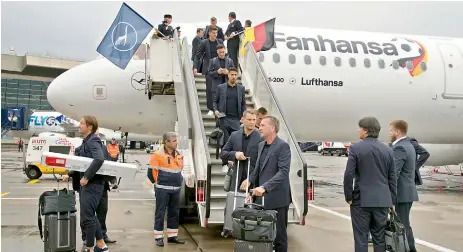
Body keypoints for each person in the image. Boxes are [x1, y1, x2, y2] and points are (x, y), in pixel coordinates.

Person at [343, 116, 397, 252]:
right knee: (379, 238)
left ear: (365, 130)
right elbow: (392, 178)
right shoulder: (388, 150)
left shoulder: (356, 148)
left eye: (360, 128)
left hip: (361, 201)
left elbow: (349, 174)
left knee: (361, 238)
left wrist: (348, 196)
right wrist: (391, 199)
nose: (358, 131)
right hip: (382, 201)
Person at [240, 116, 291, 252]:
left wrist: (264, 187)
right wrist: (249, 180)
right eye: (260, 125)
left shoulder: (283, 146)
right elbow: (258, 169)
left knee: (279, 236)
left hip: (277, 199)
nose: (259, 128)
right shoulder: (261, 145)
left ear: (272, 128)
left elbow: (283, 173)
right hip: (260, 198)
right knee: (260, 235)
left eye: (262, 125)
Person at [70, 116, 108, 252]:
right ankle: (101, 245)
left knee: (88, 217)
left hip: (93, 184)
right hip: (88, 185)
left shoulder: (93, 140)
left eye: (81, 123)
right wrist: (69, 174)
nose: (79, 125)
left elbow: (99, 159)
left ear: (90, 126)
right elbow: (82, 162)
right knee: (90, 215)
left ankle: (91, 247)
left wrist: (86, 176)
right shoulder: (87, 141)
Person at [150, 132, 185, 247]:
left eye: (176, 140)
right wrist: (159, 183)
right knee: (160, 213)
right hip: (162, 189)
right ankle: (159, 237)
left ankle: (172, 236)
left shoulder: (179, 154)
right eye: (174, 141)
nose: (176, 143)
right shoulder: (157, 155)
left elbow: (179, 169)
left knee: (174, 213)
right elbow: (151, 173)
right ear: (167, 142)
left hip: (176, 189)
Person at [389, 120, 418, 252]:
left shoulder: (400, 147)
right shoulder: (409, 145)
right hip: (407, 192)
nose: (389, 133)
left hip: (402, 193)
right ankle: (410, 248)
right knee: (404, 223)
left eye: (391, 130)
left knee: (402, 224)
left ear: (397, 131)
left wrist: (389, 194)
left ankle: (409, 249)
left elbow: (394, 173)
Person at [213, 67, 246, 172]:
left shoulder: (241, 88)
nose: (234, 77)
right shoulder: (221, 87)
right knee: (226, 141)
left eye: (235, 75)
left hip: (236, 119)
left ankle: (234, 163)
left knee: (237, 142)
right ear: (228, 75)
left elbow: (243, 103)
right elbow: (215, 101)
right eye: (232, 74)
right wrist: (215, 110)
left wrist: (244, 115)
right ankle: (224, 163)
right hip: (224, 117)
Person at [220, 109, 262, 191]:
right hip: (236, 180)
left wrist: (251, 179)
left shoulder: (261, 138)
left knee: (249, 204)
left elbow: (262, 163)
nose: (252, 122)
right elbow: (223, 153)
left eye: (254, 120)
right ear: (243, 120)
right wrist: (235, 154)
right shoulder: (234, 135)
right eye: (249, 119)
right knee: (233, 203)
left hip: (252, 182)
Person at [194, 26, 224, 115]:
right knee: (210, 89)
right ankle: (211, 108)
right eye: (214, 33)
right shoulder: (204, 43)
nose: (215, 35)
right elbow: (197, 55)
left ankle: (219, 108)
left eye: (216, 33)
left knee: (220, 89)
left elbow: (225, 54)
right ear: (209, 33)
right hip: (208, 69)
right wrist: (195, 67)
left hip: (220, 69)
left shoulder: (220, 42)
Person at [207, 44, 234, 114]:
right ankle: (218, 124)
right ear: (217, 52)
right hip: (216, 88)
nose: (222, 54)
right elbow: (209, 73)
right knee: (216, 108)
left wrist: (228, 73)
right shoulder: (212, 61)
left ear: (225, 51)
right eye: (220, 52)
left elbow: (234, 73)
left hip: (228, 87)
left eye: (223, 52)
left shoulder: (230, 61)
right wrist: (217, 72)